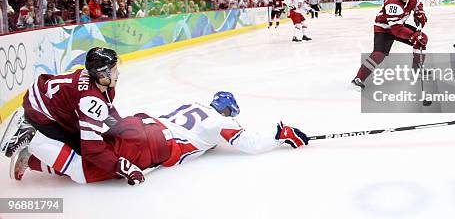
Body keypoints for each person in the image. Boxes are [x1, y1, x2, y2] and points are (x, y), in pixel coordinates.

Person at [10, 92, 308, 183]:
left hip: (141, 122)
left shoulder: (193, 105)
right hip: (156, 145)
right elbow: (251, 144)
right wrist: (280, 132)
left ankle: (35, 159)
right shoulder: (218, 122)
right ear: (228, 111)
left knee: (93, 146)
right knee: (85, 171)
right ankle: (33, 139)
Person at [1, 47, 144, 185]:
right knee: (80, 155)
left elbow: (106, 110)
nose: (117, 74)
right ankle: (30, 133)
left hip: (48, 102)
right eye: (113, 71)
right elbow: (92, 150)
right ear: (101, 74)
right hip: (39, 112)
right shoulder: (90, 99)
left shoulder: (99, 83)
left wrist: (122, 127)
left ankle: (31, 153)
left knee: (80, 143)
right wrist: (120, 166)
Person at [351, 0, 428, 90]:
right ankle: (358, 79)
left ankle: (416, 70)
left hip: (399, 24)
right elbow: (396, 30)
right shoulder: (392, 3)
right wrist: (412, 36)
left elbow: (418, 5)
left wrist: (419, 13)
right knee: (378, 55)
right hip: (384, 28)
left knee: (422, 39)